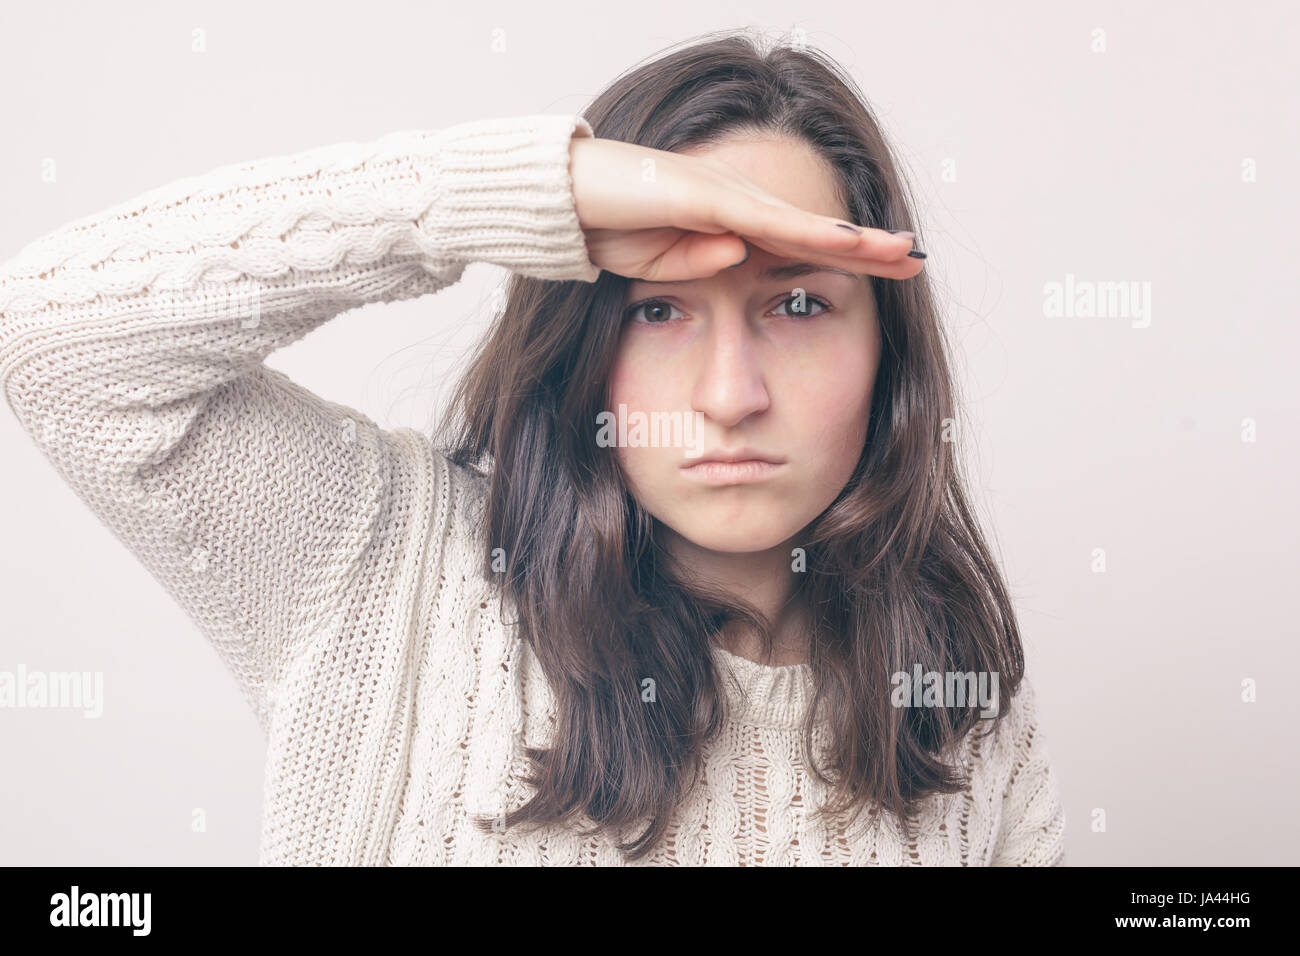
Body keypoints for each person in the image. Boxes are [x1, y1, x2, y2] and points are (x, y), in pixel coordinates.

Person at [0, 29, 1065, 865]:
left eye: (795, 303)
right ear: (579, 337)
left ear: (888, 350)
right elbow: (49, 338)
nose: (731, 394)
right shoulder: (383, 568)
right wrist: (509, 197)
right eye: (657, 311)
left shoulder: (966, 730)